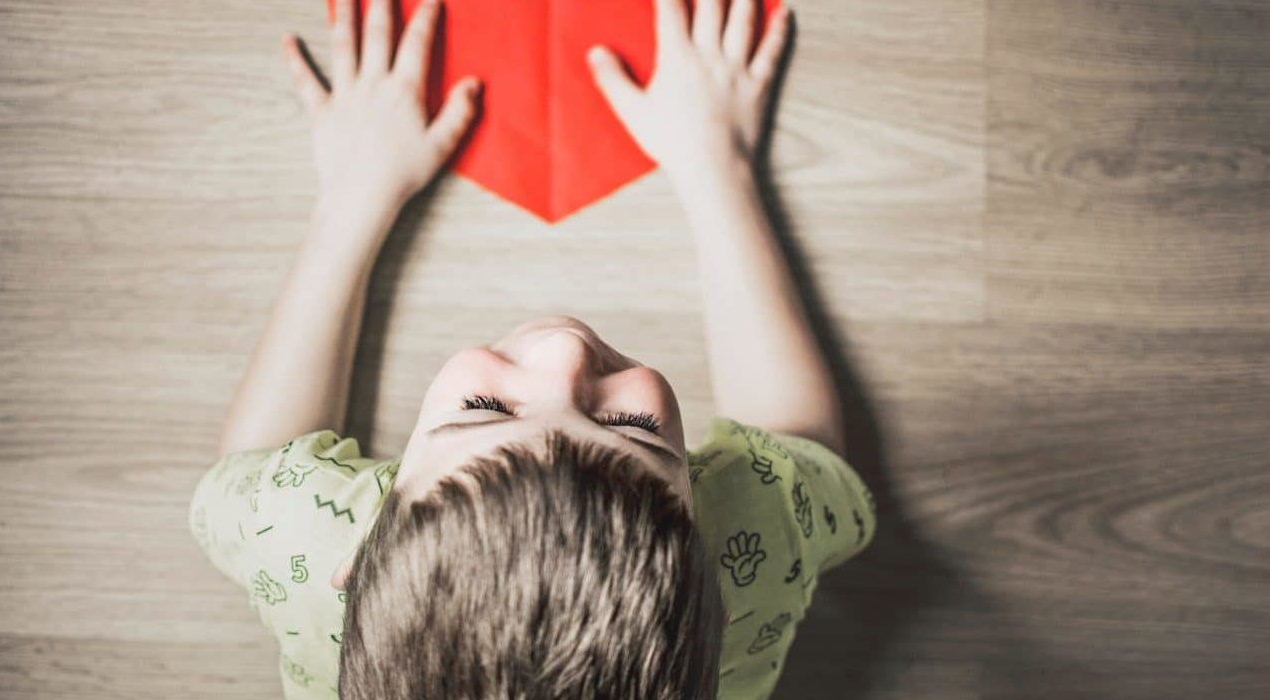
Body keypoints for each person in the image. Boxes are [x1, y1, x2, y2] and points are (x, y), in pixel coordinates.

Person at [187, 0, 877, 697]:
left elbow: (245, 472)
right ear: (721, 601)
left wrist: (352, 199)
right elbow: (806, 448)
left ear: (354, 555)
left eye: (485, 409)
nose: (564, 350)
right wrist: (715, 164)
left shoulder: (297, 534)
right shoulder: (758, 544)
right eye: (632, 427)